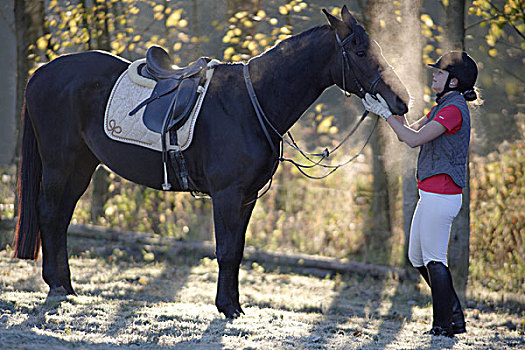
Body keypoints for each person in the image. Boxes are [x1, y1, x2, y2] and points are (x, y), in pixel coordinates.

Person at [362, 51, 480, 337]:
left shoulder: (452, 110)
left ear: (454, 81)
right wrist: (389, 111)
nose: (434, 76)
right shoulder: (443, 106)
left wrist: (385, 115)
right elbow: (410, 130)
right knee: (417, 257)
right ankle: (454, 316)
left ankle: (443, 327)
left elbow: (413, 140)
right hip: (430, 195)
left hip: (442, 196)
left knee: (435, 259)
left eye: (439, 73)